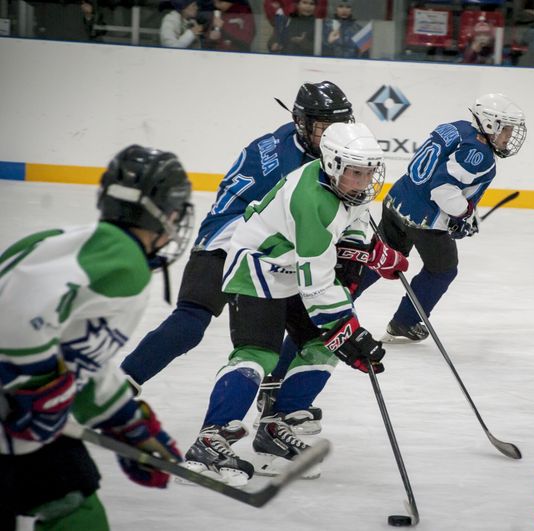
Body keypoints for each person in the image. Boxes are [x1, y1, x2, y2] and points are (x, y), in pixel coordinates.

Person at [183, 122, 406, 484]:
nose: (364, 181)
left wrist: (368, 252)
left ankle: (275, 429)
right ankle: (211, 438)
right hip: (258, 268)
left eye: (369, 172)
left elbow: (352, 224)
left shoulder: (347, 188)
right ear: (333, 164)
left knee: (322, 346)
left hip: (294, 268)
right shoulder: (311, 199)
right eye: (356, 173)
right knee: (259, 353)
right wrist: (346, 327)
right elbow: (317, 283)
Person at [0, 145, 193, 530]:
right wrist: (36, 384)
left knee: (76, 503)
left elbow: (80, 355)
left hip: (16, 414)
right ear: (164, 213)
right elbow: (16, 313)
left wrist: (128, 423)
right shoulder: (122, 259)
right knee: (76, 511)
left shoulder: (93, 247)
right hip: (12, 413)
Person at [120, 81, 353, 391]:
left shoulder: (291, 138)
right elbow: (309, 225)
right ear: (302, 122)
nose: (333, 134)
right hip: (230, 243)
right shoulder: (294, 167)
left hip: (242, 238)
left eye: (339, 124)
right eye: (324, 126)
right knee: (195, 323)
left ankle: (118, 384)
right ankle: (119, 384)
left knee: (308, 329)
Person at [358, 94, 526, 343]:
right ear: (490, 124)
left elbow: (439, 175)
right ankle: (405, 321)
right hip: (423, 219)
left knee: (381, 256)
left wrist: (462, 213)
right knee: (442, 270)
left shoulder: (456, 128)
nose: (509, 137)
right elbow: (442, 189)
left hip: (397, 200)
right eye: (507, 130)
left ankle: (338, 302)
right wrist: (463, 214)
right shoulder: (480, 155)